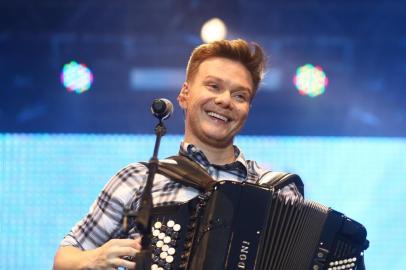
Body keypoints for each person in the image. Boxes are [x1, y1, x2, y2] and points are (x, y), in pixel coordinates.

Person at [53, 39, 303, 270]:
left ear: (247, 109)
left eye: (240, 95)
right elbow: (63, 260)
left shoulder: (278, 192)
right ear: (185, 94)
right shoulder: (137, 179)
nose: (225, 100)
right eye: (213, 86)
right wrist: (94, 258)